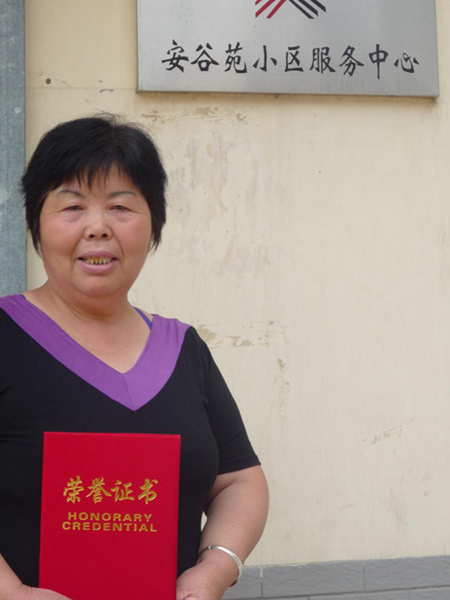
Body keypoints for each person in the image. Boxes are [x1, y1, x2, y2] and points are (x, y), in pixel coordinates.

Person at [0, 115, 269, 600]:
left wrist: (215, 569)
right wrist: (11, 592)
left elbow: (237, 480)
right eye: (73, 206)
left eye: (121, 207)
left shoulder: (183, 349)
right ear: (35, 220)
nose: (97, 228)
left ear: (153, 223)